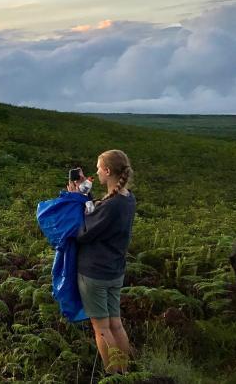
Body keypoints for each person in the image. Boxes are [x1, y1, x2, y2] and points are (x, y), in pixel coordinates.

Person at [66, 149, 136, 374]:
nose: (95, 172)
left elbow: (82, 232)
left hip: (95, 273)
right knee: (116, 324)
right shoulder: (127, 198)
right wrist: (87, 198)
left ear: (107, 171)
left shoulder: (111, 205)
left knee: (102, 329)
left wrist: (74, 200)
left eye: (98, 168)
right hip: (115, 271)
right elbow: (101, 218)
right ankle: (123, 372)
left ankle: (112, 374)